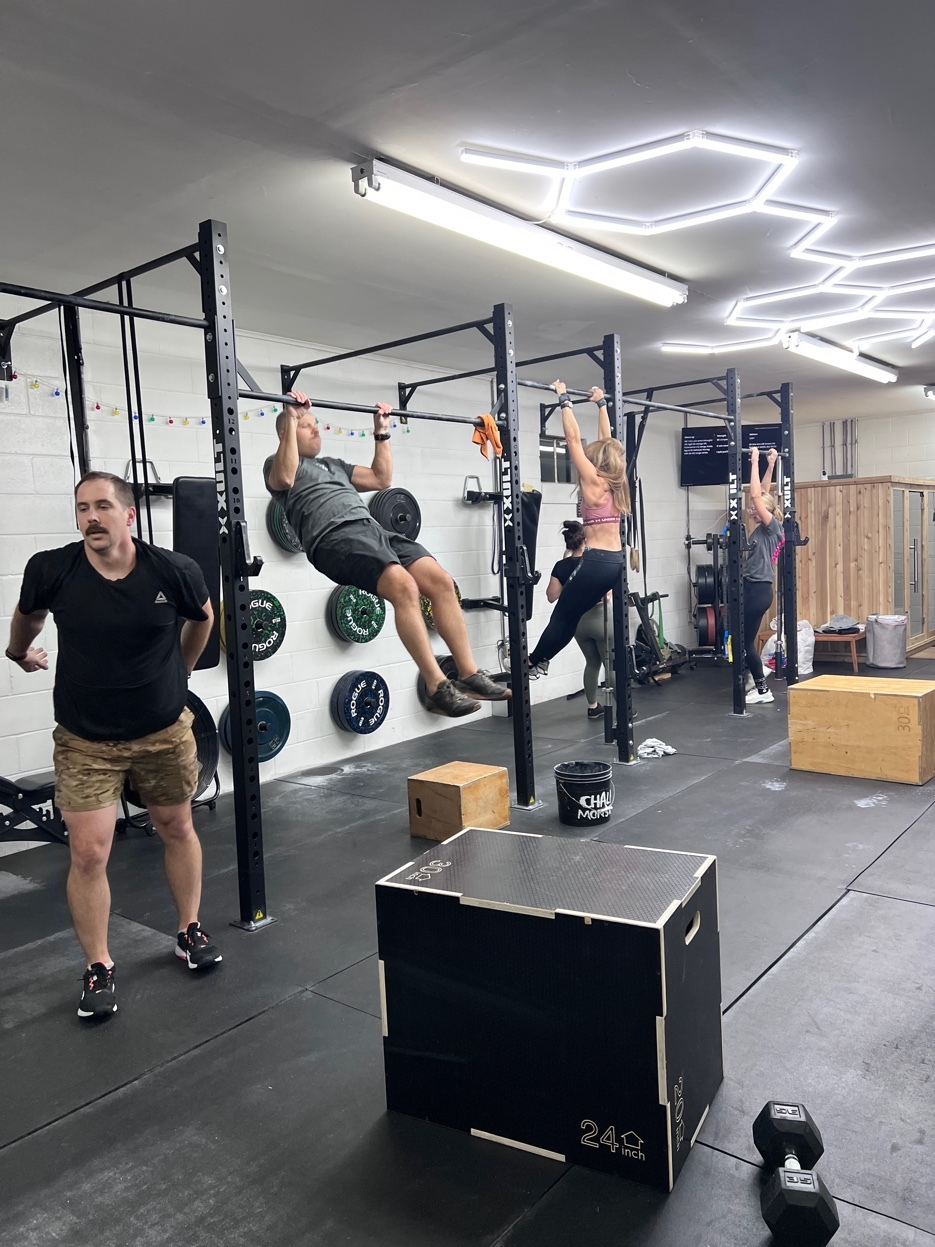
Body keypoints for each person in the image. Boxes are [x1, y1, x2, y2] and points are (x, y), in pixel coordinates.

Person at [6, 471, 220, 1021]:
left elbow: (204, 619)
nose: (91, 517)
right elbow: (28, 617)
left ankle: (188, 929)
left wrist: (182, 672)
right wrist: (18, 651)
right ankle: (99, 964)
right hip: (85, 738)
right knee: (88, 853)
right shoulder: (52, 569)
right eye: (82, 508)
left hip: (163, 732)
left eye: (103, 506)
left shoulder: (173, 570)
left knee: (176, 828)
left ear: (129, 514)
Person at [264, 392, 509, 717]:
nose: (316, 431)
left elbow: (382, 479)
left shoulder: (333, 465)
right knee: (403, 587)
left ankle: (469, 674)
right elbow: (284, 477)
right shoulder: (278, 465)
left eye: (315, 425)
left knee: (440, 581)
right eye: (306, 426)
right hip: (333, 539)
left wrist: (381, 431)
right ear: (286, 433)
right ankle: (438, 687)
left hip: (373, 531)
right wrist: (291, 415)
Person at [527, 382, 629, 677]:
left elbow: (572, 439)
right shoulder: (615, 483)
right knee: (571, 615)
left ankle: (534, 661)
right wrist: (601, 405)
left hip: (596, 562)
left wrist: (564, 398)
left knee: (563, 615)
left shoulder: (594, 483)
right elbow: (607, 441)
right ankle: (540, 660)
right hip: (614, 563)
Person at [546, 520, 614, 719]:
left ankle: (592, 707)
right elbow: (607, 595)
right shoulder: (596, 562)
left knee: (592, 662)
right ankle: (624, 709)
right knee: (611, 664)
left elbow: (551, 596)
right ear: (586, 539)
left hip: (578, 624)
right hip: (601, 620)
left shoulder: (561, 566)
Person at [743, 446, 784, 705]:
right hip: (755, 588)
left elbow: (759, 495)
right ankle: (754, 675)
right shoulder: (766, 527)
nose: (750, 509)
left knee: (745, 642)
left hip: (757, 590)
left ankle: (761, 689)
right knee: (743, 640)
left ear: (764, 511)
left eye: (753, 507)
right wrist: (770, 465)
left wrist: (755, 461)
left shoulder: (772, 529)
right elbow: (764, 494)